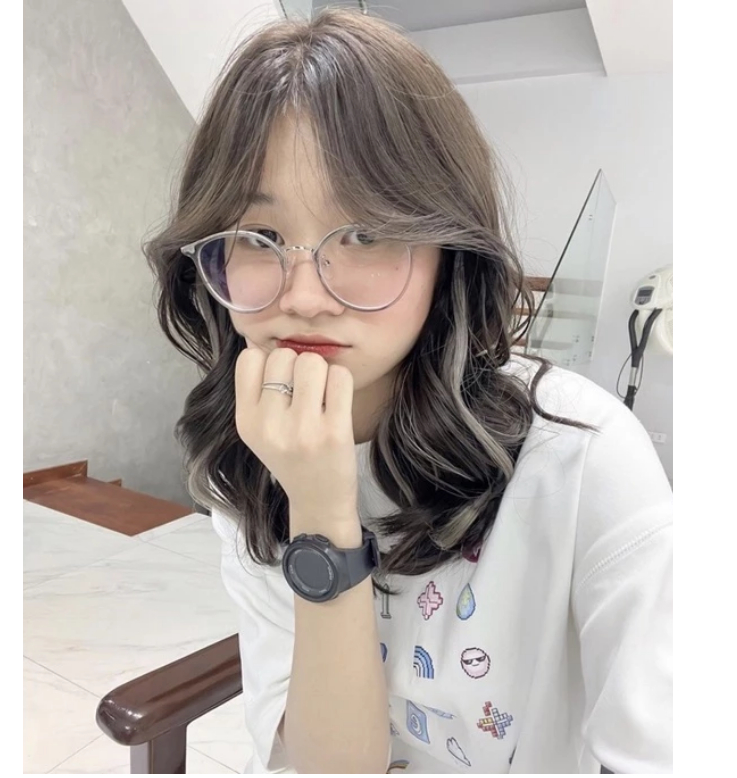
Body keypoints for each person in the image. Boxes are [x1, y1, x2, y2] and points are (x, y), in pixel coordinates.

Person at [146, 8, 672, 775]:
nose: (304, 295)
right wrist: (320, 512)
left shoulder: (582, 458)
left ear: (445, 251)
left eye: (364, 233)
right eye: (259, 238)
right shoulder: (252, 457)